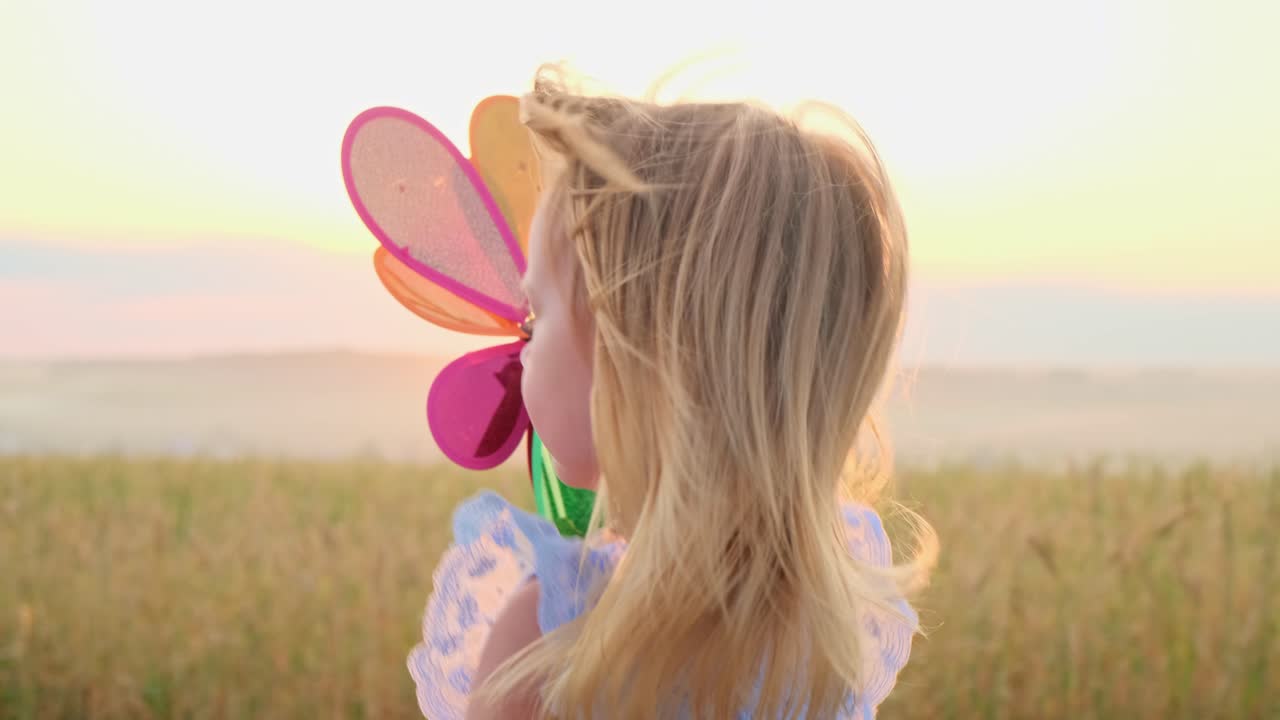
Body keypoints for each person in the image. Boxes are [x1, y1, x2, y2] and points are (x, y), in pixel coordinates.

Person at [408, 67, 937, 719]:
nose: (520, 349)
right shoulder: (823, 636)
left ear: (639, 365)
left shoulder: (555, 627)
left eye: (538, 316)